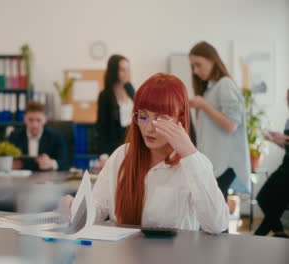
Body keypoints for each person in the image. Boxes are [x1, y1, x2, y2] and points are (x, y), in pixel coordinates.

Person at [59, 73, 229, 234]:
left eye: (161, 117)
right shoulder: (122, 156)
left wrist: (189, 153)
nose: (148, 128)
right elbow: (97, 207)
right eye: (143, 116)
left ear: (181, 119)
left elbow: (217, 224)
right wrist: (76, 208)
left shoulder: (194, 164)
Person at [189, 41, 251, 202]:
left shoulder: (225, 85)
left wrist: (204, 105)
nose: (195, 71)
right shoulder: (210, 89)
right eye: (192, 66)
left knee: (214, 214)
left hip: (225, 163)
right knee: (213, 213)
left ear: (212, 60)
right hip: (215, 162)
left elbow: (231, 125)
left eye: (198, 65)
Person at [254, 89, 289, 238]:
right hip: (286, 165)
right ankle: (280, 234)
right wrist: (276, 140)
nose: (287, 103)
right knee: (263, 198)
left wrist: (285, 139)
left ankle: (258, 237)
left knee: (277, 203)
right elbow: (286, 146)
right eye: (287, 99)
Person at [9, 101, 69, 171]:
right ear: (24, 118)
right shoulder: (15, 135)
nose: (34, 125)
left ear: (45, 120)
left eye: (38, 120)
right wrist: (10, 164)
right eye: (30, 120)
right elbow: (5, 159)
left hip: (47, 178)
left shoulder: (55, 136)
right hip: (21, 178)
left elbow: (66, 162)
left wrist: (51, 163)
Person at [96, 54, 135, 157]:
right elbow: (101, 128)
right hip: (114, 149)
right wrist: (103, 154)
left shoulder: (131, 91)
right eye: (122, 70)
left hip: (133, 145)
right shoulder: (105, 96)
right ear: (114, 71)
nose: (127, 73)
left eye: (128, 69)